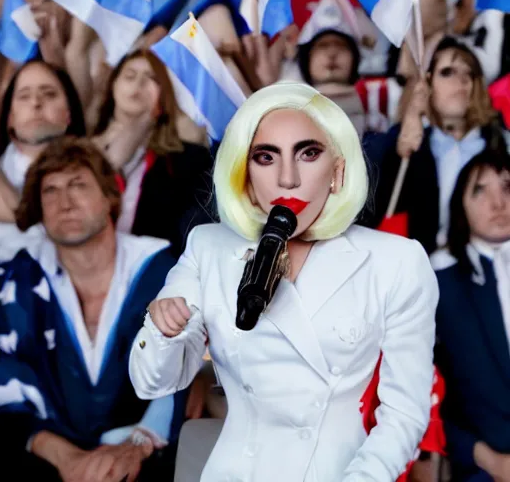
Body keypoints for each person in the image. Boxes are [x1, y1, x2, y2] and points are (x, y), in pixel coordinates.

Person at [129, 81, 439, 481]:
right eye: (265, 157)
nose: (287, 178)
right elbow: (154, 381)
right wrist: (162, 328)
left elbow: (404, 415)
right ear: (245, 178)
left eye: (308, 153)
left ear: (337, 171)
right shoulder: (209, 247)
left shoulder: (395, 261)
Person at [0, 138, 185, 481]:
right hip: (47, 462)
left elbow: (184, 375)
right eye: (49, 191)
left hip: (150, 459)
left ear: (109, 196)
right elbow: (3, 378)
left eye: (78, 185)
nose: (64, 202)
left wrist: (138, 444)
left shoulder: (163, 269)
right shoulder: (20, 278)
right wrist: (66, 459)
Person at [364, 37, 507, 255]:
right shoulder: (407, 142)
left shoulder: (501, 144)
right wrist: (399, 140)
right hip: (423, 265)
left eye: (469, 73)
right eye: (447, 72)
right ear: (427, 85)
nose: (460, 81)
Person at [92, 49, 214, 257]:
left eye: (151, 78)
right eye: (129, 76)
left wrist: (146, 123)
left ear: (165, 92)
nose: (138, 84)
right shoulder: (80, 152)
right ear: (113, 85)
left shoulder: (190, 160)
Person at [434, 150, 510, 481]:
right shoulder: (439, 283)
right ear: (460, 205)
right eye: (480, 190)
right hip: (486, 468)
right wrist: (490, 461)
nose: (498, 203)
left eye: (508, 187)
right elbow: (425, 396)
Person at [0, 59, 87, 261]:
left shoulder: (95, 172)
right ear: (10, 117)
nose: (36, 103)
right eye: (24, 96)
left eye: (49, 94)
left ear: (68, 115)